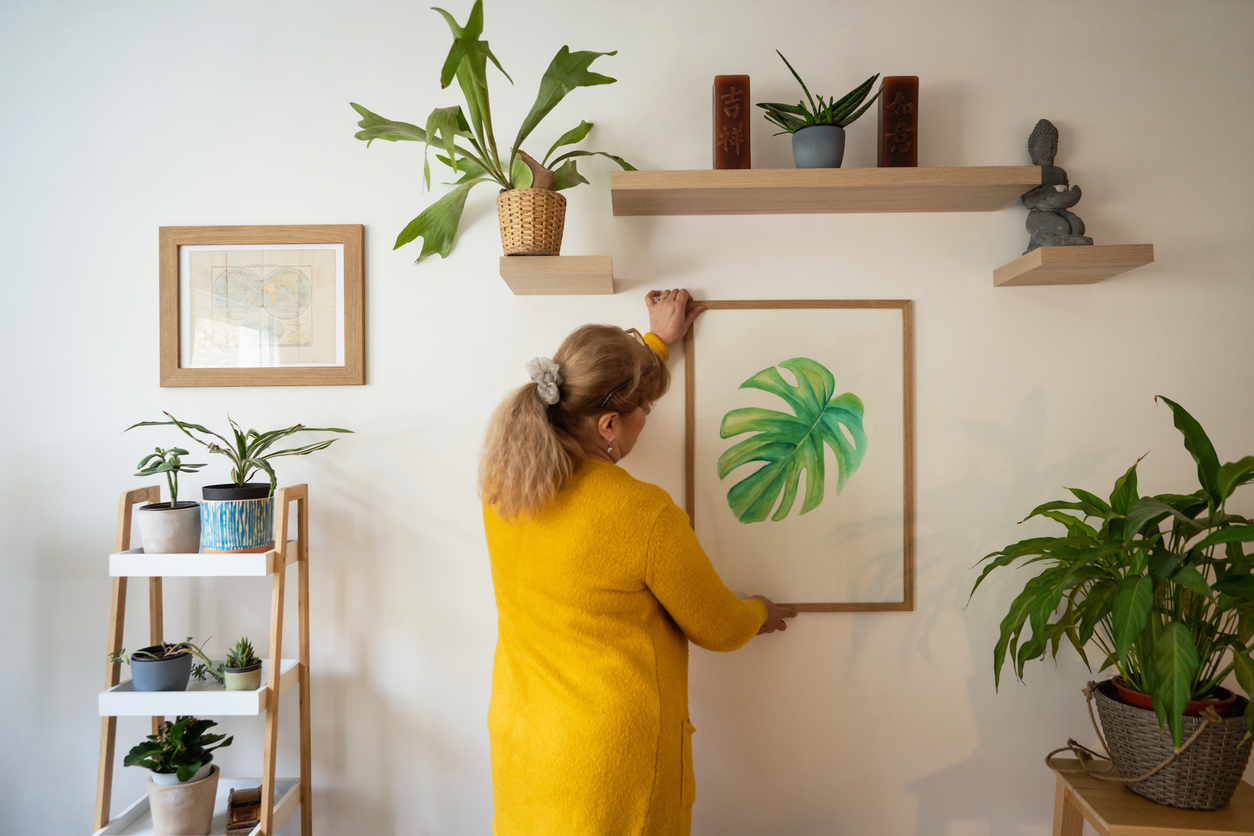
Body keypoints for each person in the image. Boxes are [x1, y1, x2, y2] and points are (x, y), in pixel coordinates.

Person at [479, 288, 797, 836]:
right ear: (608, 425)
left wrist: (653, 344)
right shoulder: (641, 513)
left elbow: (592, 389)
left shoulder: (505, 488)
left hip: (525, 743)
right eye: (643, 409)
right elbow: (718, 627)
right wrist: (758, 612)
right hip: (610, 765)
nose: (647, 418)